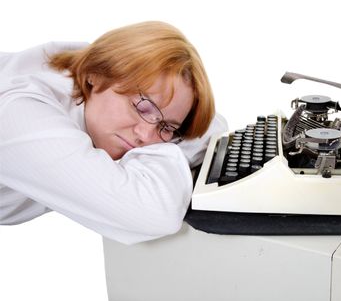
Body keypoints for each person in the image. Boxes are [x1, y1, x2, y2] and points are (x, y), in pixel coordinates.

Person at [0, 21, 227, 245]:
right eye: (142, 107)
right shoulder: (20, 111)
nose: (146, 136)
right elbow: (152, 214)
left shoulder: (103, 75)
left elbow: (212, 128)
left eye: (166, 127)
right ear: (95, 75)